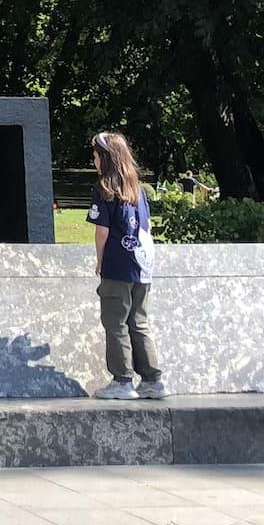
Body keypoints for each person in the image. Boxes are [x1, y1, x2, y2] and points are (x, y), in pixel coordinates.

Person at [87, 130, 166, 400]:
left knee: (115, 320)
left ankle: (122, 380)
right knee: (139, 321)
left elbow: (102, 231)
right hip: (142, 265)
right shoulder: (138, 190)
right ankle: (153, 379)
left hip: (118, 266)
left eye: (96, 155)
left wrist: (100, 259)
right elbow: (148, 225)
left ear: (106, 158)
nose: (94, 160)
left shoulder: (104, 189)